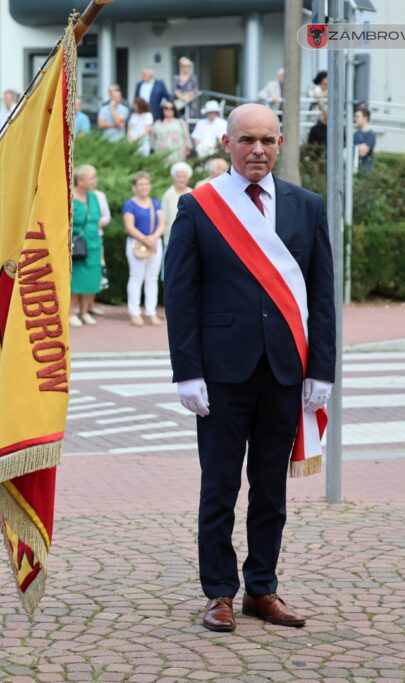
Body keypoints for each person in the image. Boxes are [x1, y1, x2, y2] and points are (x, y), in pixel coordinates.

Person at [164, 103, 336, 634]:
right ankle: (218, 591)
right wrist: (187, 371)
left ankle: (262, 587)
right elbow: (181, 294)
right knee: (219, 485)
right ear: (226, 144)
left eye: (266, 140)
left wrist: (322, 370)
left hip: (285, 371)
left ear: (280, 143)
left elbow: (322, 296)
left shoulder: (306, 206)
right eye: (246, 140)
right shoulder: (199, 207)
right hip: (221, 373)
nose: (257, 149)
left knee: (270, 488)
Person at [122, 171, 164, 326]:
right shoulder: (130, 204)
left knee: (152, 279)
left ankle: (151, 311)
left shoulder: (155, 203)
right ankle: (134, 312)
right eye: (141, 184)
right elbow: (129, 226)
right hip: (137, 244)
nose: (144, 187)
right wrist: (146, 240)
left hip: (154, 244)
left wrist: (153, 239)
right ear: (134, 187)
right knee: (136, 277)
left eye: (146, 184)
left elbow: (161, 224)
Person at [69, 164, 106, 327]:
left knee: (91, 280)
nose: (94, 181)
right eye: (90, 178)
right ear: (80, 180)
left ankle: (84, 312)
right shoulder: (70, 197)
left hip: (94, 244)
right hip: (76, 245)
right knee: (75, 280)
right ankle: (71, 312)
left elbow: (100, 218)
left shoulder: (94, 197)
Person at [161, 161, 193, 248]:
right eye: (179, 177)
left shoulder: (192, 193)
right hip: (171, 238)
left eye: (184, 177)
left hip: (189, 238)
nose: (181, 179)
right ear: (173, 178)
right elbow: (163, 218)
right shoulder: (167, 195)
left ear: (188, 178)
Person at [353, 107, 376, 174]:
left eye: (358, 117)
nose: (355, 119)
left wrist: (354, 147)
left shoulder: (371, 134)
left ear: (365, 118)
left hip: (366, 172)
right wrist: (358, 147)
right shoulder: (356, 134)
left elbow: (363, 152)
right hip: (355, 170)